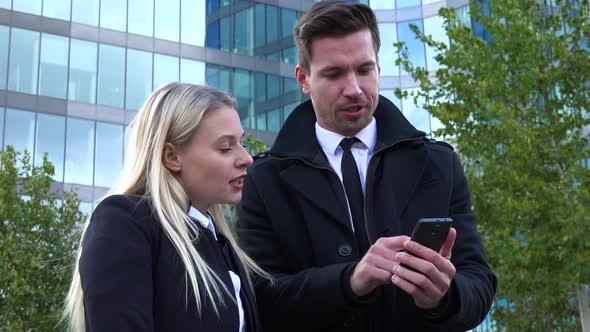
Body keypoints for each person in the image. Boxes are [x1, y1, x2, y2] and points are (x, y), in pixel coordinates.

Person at [236, 1, 497, 331]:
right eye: (334, 74)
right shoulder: (264, 180)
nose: (354, 89)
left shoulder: (438, 163)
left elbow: (479, 281)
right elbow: (259, 299)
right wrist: (349, 282)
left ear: (378, 66)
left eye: (364, 69)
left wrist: (444, 296)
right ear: (304, 78)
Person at [62, 83, 269, 332]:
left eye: (242, 144)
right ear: (171, 156)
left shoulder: (222, 244)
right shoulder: (124, 222)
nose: (246, 158)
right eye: (225, 147)